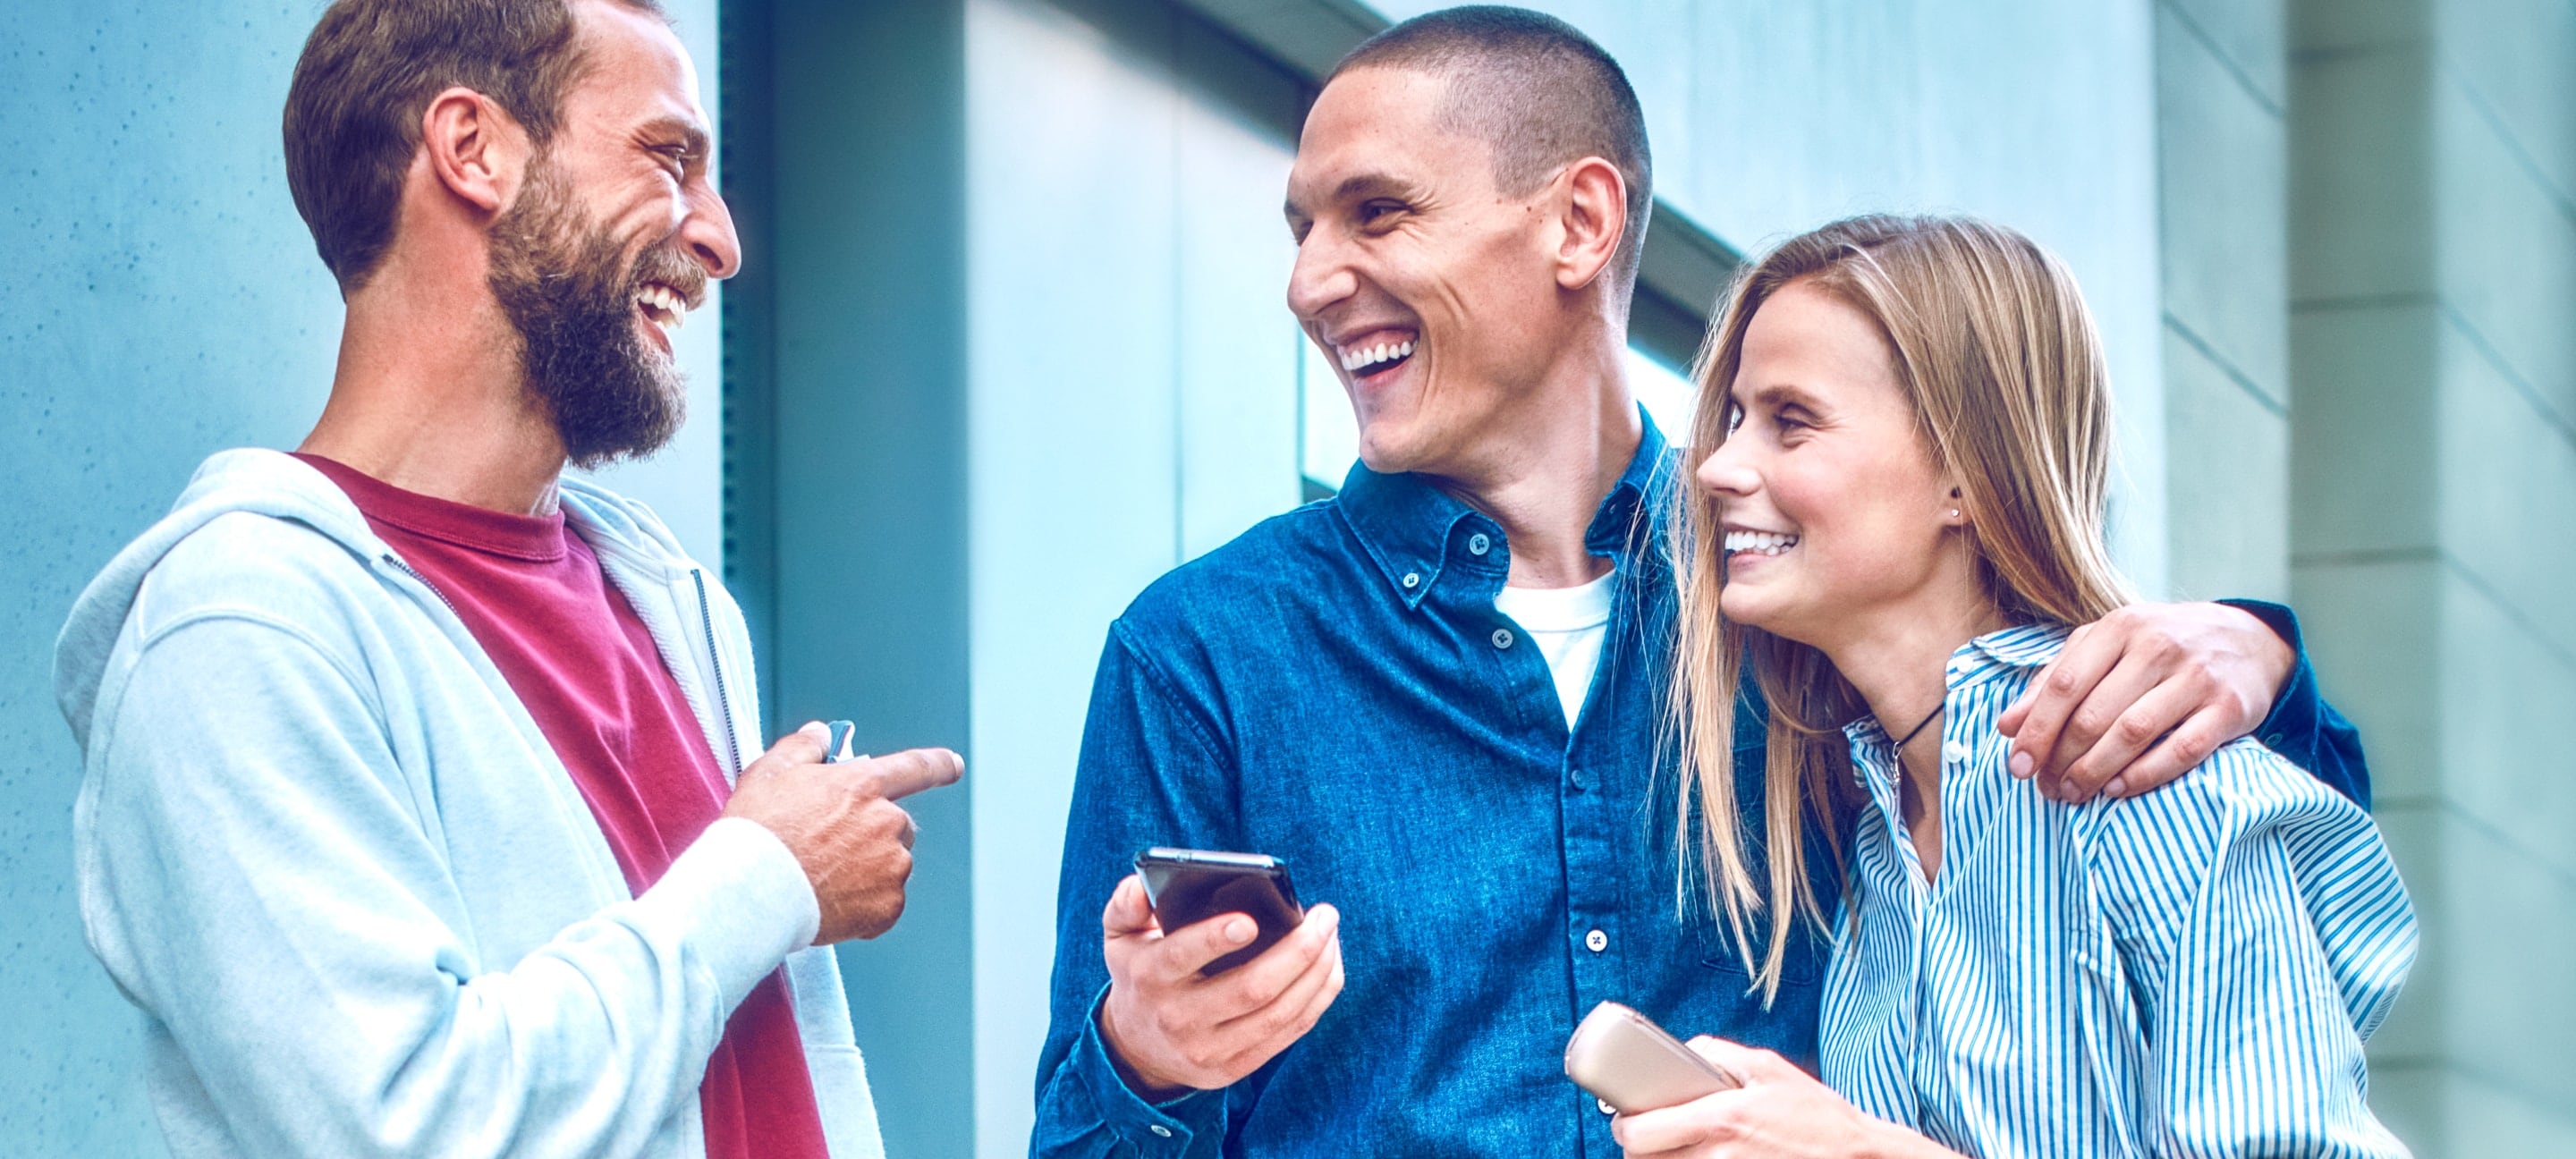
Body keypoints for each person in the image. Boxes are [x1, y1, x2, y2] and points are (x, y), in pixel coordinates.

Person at [1031, 7, 2368, 1156]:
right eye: (1302, 226)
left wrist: (2259, 656)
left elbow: (2230, 887)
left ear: (1580, 220)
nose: (1312, 280)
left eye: (1378, 212)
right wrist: (1141, 1056)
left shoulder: (1802, 605)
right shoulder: (1202, 652)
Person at [53, 2, 958, 1155]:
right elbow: (411, 1125)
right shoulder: (235, 634)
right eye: (668, 157)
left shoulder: (668, 599)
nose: (721, 239)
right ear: (472, 149)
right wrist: (765, 874)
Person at [1614, 216, 2413, 1157]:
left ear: (1963, 473)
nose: (1715, 465)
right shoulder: (1871, 841)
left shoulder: (2149, 781)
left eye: (1793, 422)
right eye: (1737, 418)